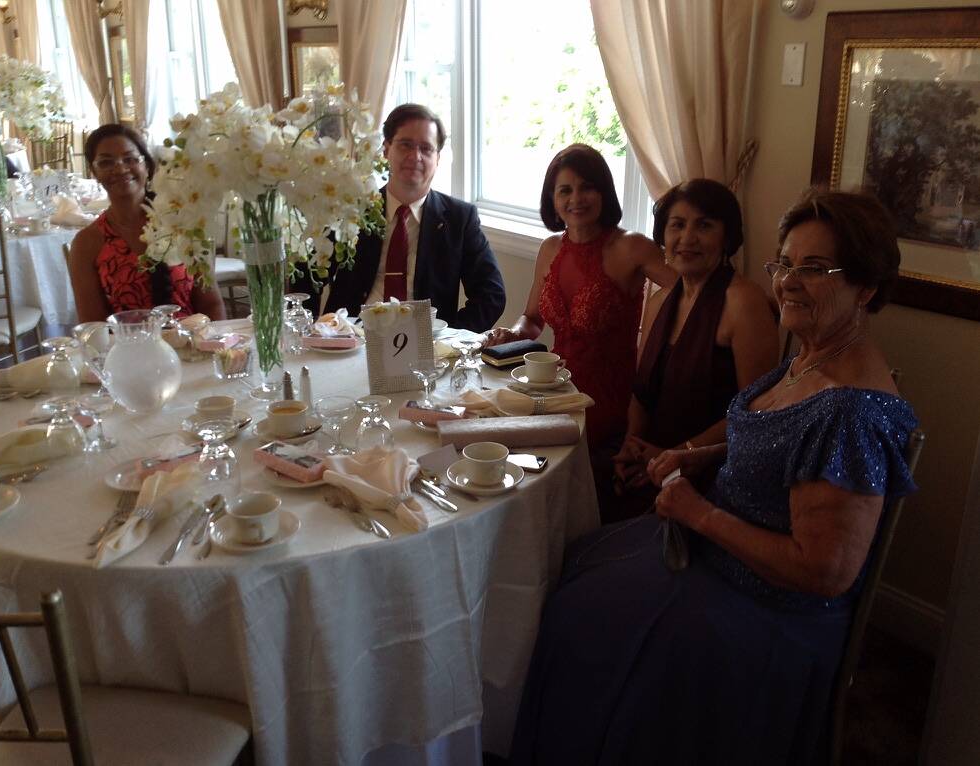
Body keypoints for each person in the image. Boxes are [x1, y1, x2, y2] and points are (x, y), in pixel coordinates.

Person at [509, 189, 919, 765]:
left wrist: (699, 514)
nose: (790, 282)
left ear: (866, 287)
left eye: (815, 268)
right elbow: (777, 441)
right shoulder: (812, 355)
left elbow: (823, 571)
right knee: (577, 560)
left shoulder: (849, 412)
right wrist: (695, 457)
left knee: (576, 616)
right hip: (716, 551)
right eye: (785, 264)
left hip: (761, 608)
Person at [484, 144, 676, 448]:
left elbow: (691, 291)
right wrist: (514, 334)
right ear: (552, 199)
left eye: (587, 187)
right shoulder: (550, 249)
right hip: (553, 387)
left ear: (604, 192)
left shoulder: (631, 247)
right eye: (565, 190)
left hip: (610, 399)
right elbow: (532, 319)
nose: (576, 199)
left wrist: (655, 345)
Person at [609, 179, 778, 520]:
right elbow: (642, 391)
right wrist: (632, 446)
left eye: (704, 226)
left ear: (726, 237)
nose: (687, 238)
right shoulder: (658, 301)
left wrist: (678, 454)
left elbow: (754, 413)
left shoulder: (744, 303)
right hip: (655, 462)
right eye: (677, 225)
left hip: (711, 476)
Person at [316, 103, 505, 332]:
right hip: (352, 338)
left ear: (437, 158)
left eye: (426, 148)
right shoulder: (352, 210)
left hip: (425, 345)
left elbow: (491, 295)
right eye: (406, 144)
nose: (415, 156)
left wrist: (447, 336)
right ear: (386, 149)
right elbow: (310, 275)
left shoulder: (459, 219)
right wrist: (310, 332)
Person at [68, 124, 225, 323]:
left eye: (130, 159)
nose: (120, 168)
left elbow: (212, 304)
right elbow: (94, 326)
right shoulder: (87, 243)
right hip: (126, 342)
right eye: (106, 162)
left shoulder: (182, 224)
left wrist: (214, 341)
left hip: (191, 339)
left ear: (147, 166)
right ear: (94, 172)